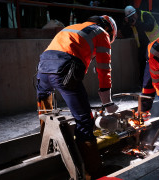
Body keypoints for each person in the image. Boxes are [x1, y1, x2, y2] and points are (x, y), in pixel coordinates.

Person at [36, 15, 118, 179]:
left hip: (42, 71)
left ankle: (50, 151)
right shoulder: (102, 33)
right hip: (64, 71)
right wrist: (107, 102)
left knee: (46, 113)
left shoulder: (72, 27)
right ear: (108, 29)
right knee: (84, 120)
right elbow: (103, 69)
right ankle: (92, 171)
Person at [123, 5, 159, 88]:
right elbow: (125, 33)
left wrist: (136, 23)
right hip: (143, 45)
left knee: (158, 63)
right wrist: (127, 24)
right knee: (142, 63)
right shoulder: (132, 22)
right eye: (130, 17)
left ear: (136, 13)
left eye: (133, 15)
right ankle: (144, 85)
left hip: (156, 43)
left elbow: (150, 27)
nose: (132, 18)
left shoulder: (145, 15)